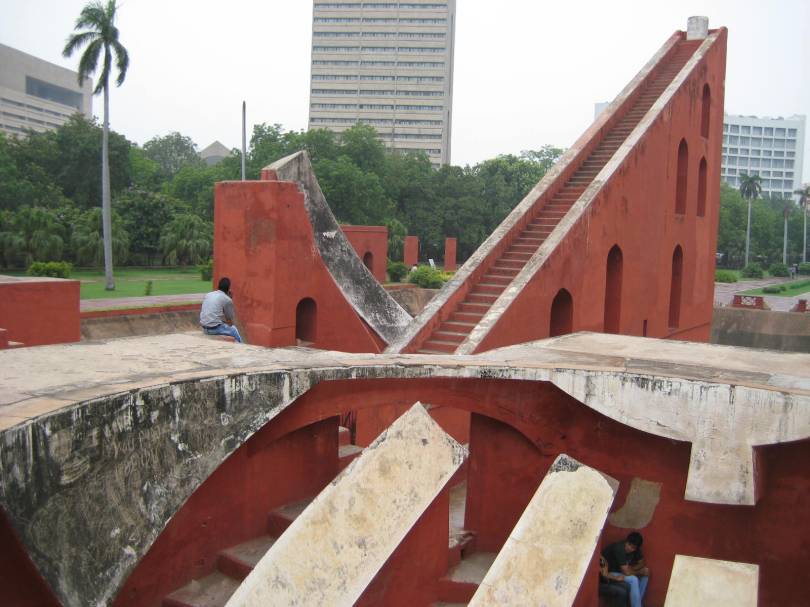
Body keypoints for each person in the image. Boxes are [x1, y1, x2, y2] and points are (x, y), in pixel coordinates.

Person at [601, 532, 649, 607]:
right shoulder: (619, 548)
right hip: (609, 573)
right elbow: (626, 572)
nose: (630, 549)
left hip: (622, 572)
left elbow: (642, 563)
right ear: (626, 541)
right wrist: (638, 571)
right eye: (629, 545)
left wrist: (632, 569)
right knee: (633, 579)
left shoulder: (635, 549)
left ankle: (637, 603)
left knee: (646, 573)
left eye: (633, 548)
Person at [199, 277, 242, 343]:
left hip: (204, 328)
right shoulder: (227, 299)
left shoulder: (209, 294)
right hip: (214, 329)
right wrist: (229, 298)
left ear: (218, 286)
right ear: (228, 289)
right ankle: (242, 346)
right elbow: (230, 322)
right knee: (234, 329)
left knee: (222, 325)